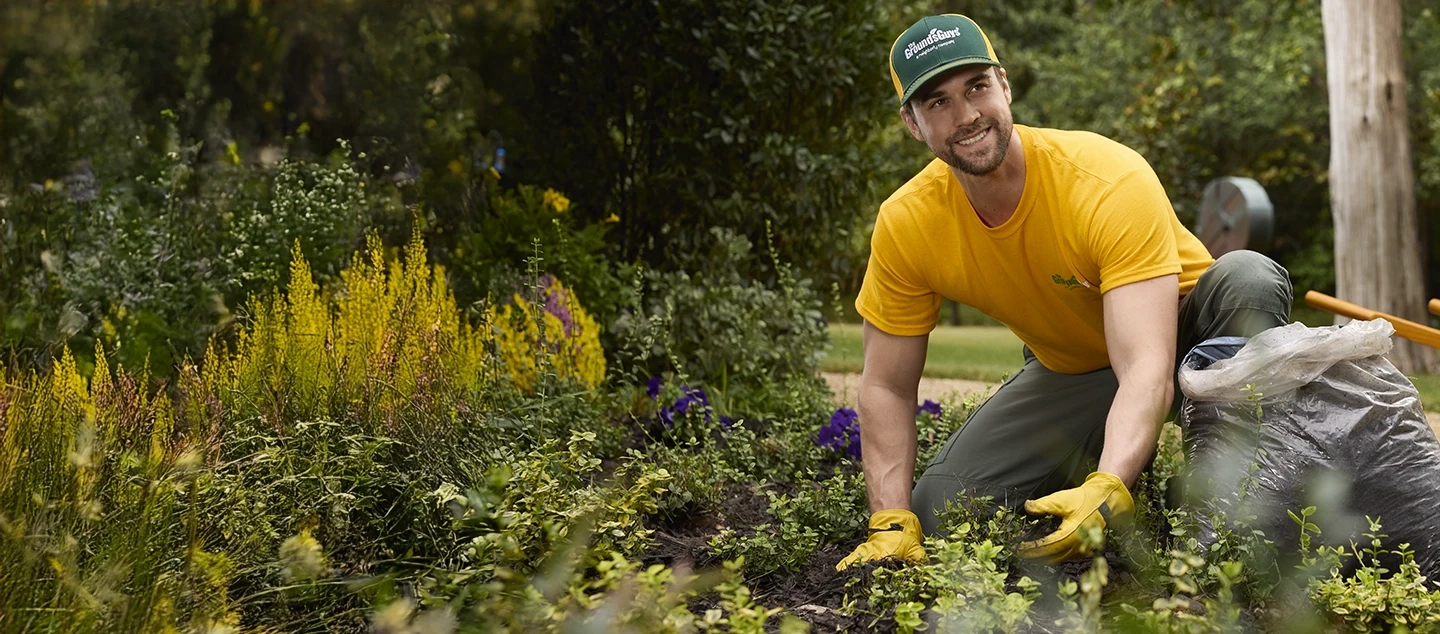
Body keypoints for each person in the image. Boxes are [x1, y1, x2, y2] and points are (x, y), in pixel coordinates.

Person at [836, 14, 1293, 570]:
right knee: (941, 508)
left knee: (1248, 275)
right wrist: (889, 519)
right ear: (912, 123)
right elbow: (885, 385)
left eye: (977, 87)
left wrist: (1112, 480)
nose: (967, 115)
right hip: (1079, 368)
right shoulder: (907, 223)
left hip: (1191, 328)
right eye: (937, 102)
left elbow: (1148, 363)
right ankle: (1085, 475)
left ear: (1004, 85)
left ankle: (1228, 502)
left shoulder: (1104, 179)